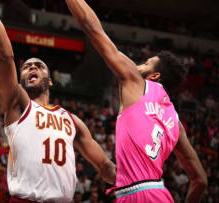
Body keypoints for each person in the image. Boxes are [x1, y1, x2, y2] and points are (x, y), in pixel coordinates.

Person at [0, 0, 116, 202]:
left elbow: (105, 167)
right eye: (27, 67)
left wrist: (138, 182)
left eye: (39, 65)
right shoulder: (18, 104)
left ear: (50, 80)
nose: (32, 68)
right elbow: (4, 57)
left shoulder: (72, 121)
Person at [65, 0, 208, 202]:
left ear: (155, 75)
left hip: (136, 193)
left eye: (146, 63)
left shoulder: (135, 82)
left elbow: (93, 29)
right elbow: (200, 180)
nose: (139, 65)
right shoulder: (176, 123)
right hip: (159, 193)